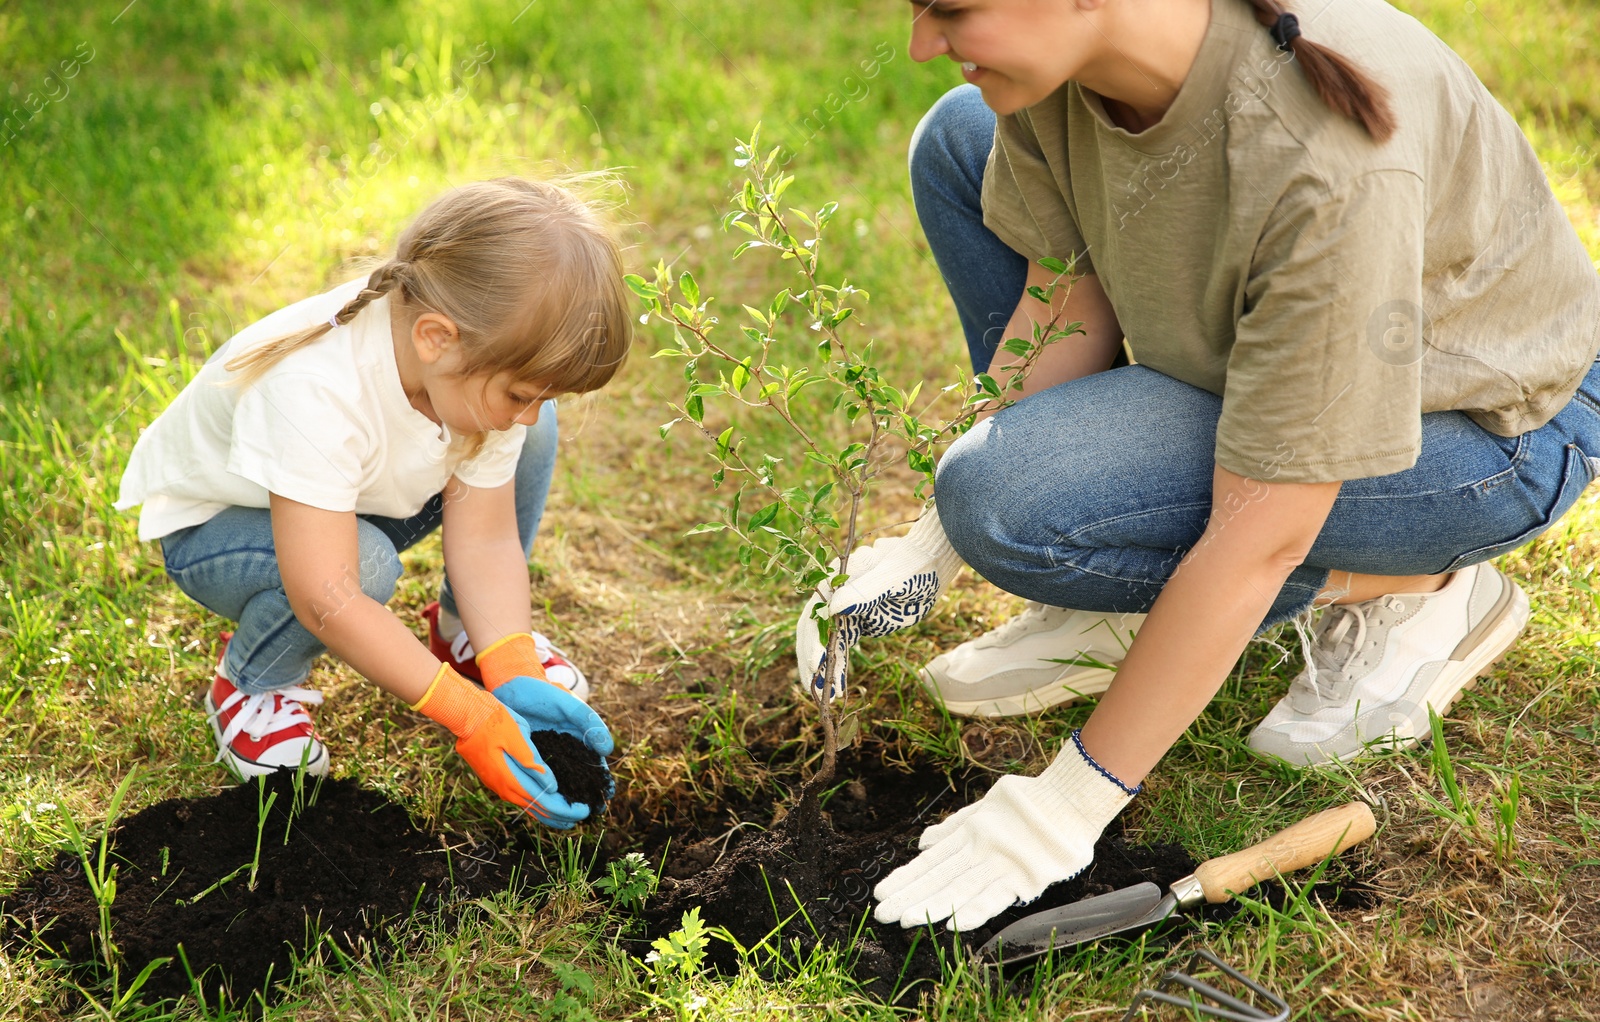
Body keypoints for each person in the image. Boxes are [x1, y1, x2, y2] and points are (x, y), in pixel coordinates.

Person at [795, 0, 1600, 931]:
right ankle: (1121, 587)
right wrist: (924, 547)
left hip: (1483, 432)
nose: (921, 44)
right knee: (958, 138)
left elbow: (1259, 536)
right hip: (1267, 371)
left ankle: (1422, 583)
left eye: (953, 10)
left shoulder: (1322, 159)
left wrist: (1063, 806)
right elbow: (1065, 298)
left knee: (1005, 501)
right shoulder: (1076, 72)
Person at [117, 177, 629, 828]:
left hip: (350, 492)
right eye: (521, 391)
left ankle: (462, 632)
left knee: (527, 437)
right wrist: (465, 715)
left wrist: (512, 664)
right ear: (436, 338)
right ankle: (251, 684)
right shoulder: (315, 387)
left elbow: (486, 539)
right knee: (364, 568)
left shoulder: (464, 370)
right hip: (217, 532)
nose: (526, 413)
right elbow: (326, 596)